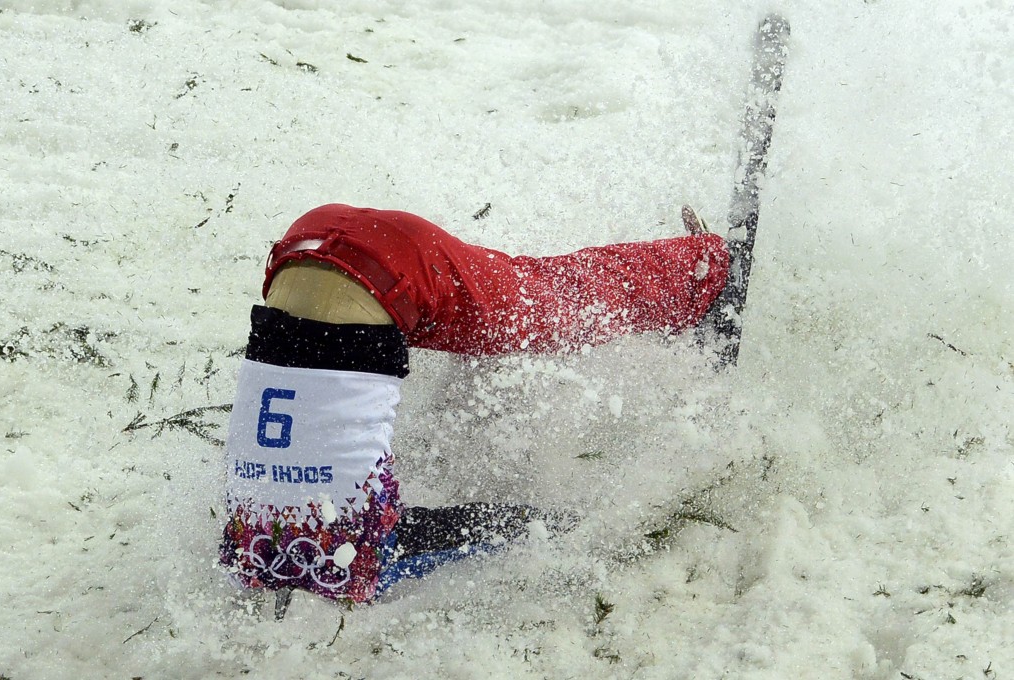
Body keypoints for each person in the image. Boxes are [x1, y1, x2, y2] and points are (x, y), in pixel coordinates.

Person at [219, 203, 729, 605]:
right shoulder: (243, 544)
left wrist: (551, 526)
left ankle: (706, 270)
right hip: (304, 246)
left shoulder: (365, 563)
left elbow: (490, 529)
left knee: (544, 305)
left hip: (388, 268)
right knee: (523, 300)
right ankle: (689, 269)